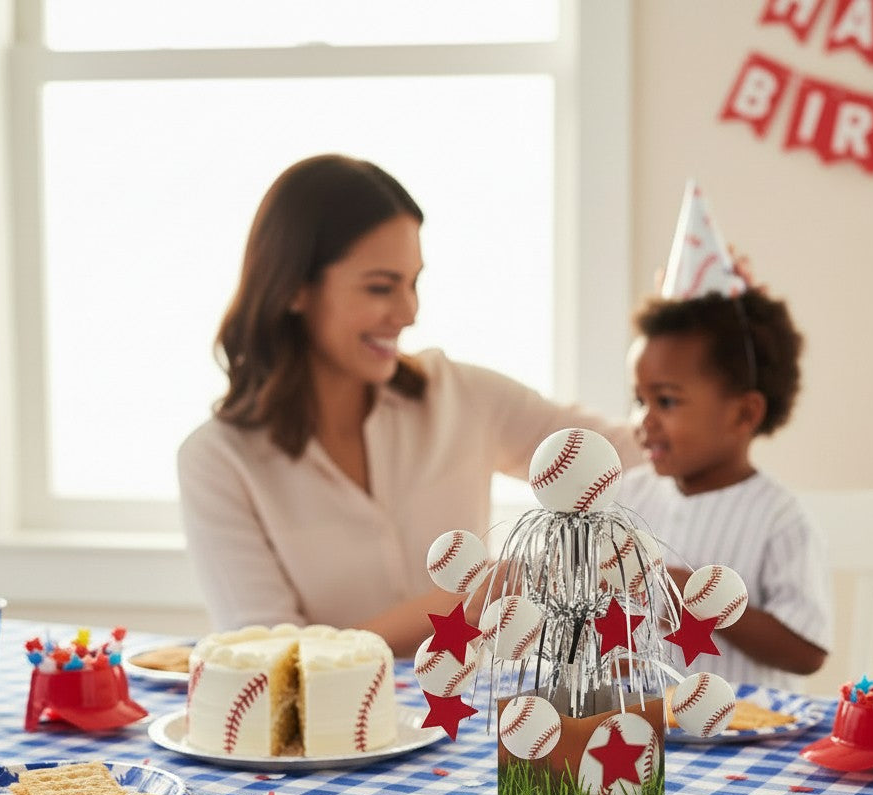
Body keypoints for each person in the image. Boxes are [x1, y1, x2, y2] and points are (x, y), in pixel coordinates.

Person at [178, 154, 639, 657]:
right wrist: (461, 604)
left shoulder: (464, 397)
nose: (408, 312)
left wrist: (704, 340)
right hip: (338, 733)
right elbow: (271, 659)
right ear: (293, 289)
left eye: (412, 282)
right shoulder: (218, 461)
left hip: (477, 721)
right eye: (381, 287)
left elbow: (634, 453)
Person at [617, 284, 832, 691]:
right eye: (639, 400)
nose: (644, 420)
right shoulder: (626, 497)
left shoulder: (779, 518)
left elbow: (807, 652)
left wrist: (698, 596)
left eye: (665, 401)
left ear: (744, 413)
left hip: (741, 733)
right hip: (638, 731)